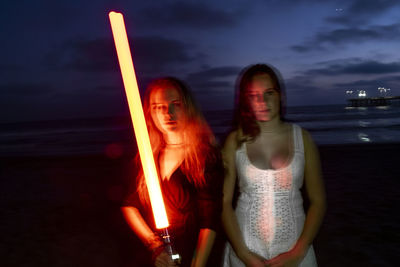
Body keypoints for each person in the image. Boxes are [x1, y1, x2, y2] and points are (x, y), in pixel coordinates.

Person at [222, 64, 326, 267]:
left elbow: (318, 201)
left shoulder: (302, 139)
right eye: (254, 95)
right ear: (246, 100)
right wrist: (245, 255)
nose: (263, 101)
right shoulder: (234, 141)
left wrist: (298, 252)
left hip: (295, 250)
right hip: (245, 250)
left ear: (281, 96)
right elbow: (223, 203)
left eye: (269, 93)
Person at [121, 77, 223, 267]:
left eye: (175, 104)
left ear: (188, 107)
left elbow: (211, 220)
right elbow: (129, 205)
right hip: (161, 259)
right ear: (150, 112)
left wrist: (197, 264)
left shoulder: (205, 157)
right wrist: (155, 246)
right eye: (159, 107)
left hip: (200, 256)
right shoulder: (147, 157)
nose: (168, 113)